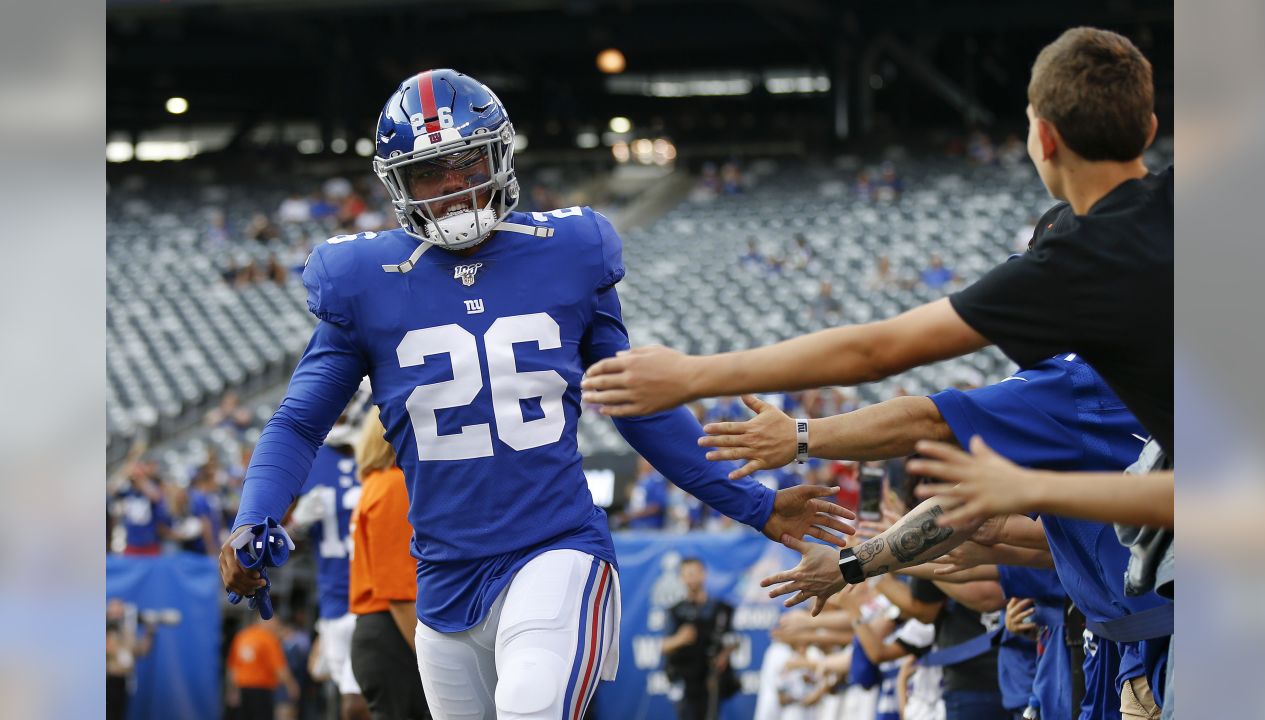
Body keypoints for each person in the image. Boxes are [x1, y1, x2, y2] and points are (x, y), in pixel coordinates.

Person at [221, 68, 855, 720]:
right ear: (397, 185)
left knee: (531, 706)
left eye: (466, 163)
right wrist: (255, 512)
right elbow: (300, 423)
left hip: (554, 548)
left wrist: (754, 505)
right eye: (428, 174)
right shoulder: (364, 278)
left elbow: (637, 407)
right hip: (440, 581)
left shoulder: (568, 249)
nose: (452, 189)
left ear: (499, 154)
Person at [582, 26, 1173, 526]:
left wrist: (692, 376)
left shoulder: (1071, 267)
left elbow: (877, 350)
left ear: (1043, 139)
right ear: (1149, 129)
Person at [700, 351, 1171, 718]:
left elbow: (926, 417)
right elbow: (980, 518)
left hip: (1148, 638)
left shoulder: (1072, 381)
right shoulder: (1136, 374)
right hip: (1122, 640)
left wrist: (801, 436)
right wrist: (857, 564)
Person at [287, 384, 372, 720]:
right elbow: (276, 539)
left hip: (378, 595)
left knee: (358, 703)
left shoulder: (384, 448)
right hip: (335, 598)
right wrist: (296, 525)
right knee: (348, 699)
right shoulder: (311, 456)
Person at [348, 409, 429, 720]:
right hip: (394, 630)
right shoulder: (394, 485)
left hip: (380, 631)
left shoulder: (374, 485)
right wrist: (429, 657)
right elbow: (398, 590)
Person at [660, 557, 739, 720]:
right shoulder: (676, 611)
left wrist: (724, 654)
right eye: (687, 574)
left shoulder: (721, 609)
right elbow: (664, 646)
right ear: (680, 578)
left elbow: (733, 638)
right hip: (686, 682)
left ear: (704, 574)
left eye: (695, 573)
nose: (691, 578)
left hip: (712, 681)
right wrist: (680, 639)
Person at [227, 611, 300, 720]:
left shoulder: (242, 636)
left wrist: (232, 690)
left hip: (243, 689)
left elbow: (232, 668)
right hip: (261, 690)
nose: (277, 627)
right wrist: (291, 685)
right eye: (275, 623)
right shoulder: (268, 639)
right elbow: (280, 669)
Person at [106, 598, 155, 720]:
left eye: (119, 611)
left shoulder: (127, 631)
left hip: (124, 680)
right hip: (107, 680)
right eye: (114, 611)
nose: (117, 614)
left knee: (120, 714)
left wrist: (149, 633)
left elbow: (140, 651)